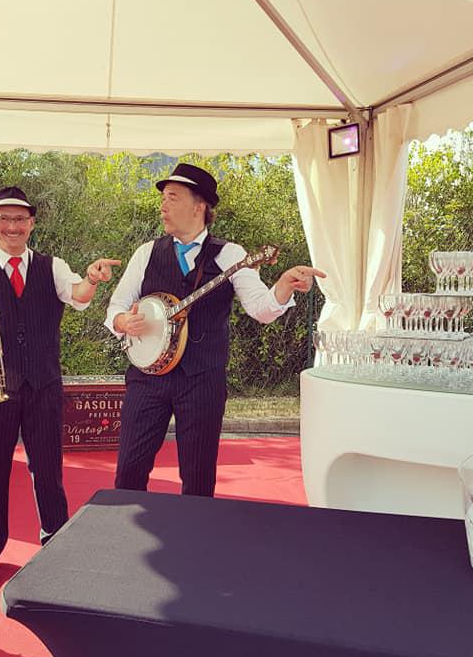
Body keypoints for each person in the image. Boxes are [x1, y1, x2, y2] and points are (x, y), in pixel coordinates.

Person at [105, 163, 325, 497]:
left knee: (197, 477)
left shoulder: (230, 254)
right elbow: (116, 306)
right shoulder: (147, 253)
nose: (163, 206)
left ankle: (194, 545)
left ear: (199, 206)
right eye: (163, 198)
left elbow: (260, 309)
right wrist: (123, 322)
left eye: (173, 198)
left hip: (202, 379)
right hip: (147, 378)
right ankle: (128, 537)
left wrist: (282, 286)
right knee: (129, 470)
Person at [0, 186, 120, 590]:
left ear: (32, 224)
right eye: (4, 219)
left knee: (48, 468)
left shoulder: (53, 265)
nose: (12, 226)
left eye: (20, 219)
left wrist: (92, 280)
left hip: (42, 384)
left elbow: (77, 296)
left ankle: (56, 542)